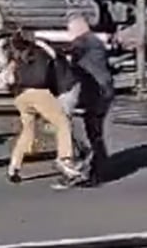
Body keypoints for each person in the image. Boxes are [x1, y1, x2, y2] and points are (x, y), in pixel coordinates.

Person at [0, 30, 83, 184]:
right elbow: (52, 60)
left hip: (21, 97)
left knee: (27, 131)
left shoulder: (16, 58)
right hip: (39, 94)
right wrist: (41, 43)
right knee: (62, 124)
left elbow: (8, 80)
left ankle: (14, 166)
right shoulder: (38, 54)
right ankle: (66, 160)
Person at [55, 13, 114, 188]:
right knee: (94, 131)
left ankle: (91, 171)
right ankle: (97, 168)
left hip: (98, 92)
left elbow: (68, 51)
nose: (69, 33)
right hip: (102, 90)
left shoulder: (84, 42)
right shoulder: (94, 41)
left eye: (70, 30)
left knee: (90, 132)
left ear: (78, 28)